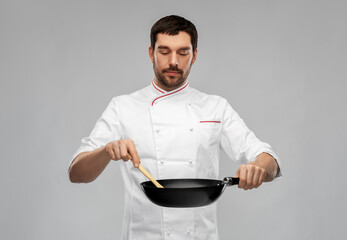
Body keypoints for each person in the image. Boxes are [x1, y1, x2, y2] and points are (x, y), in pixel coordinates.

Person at [69, 15, 281, 240]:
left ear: (195, 56)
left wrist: (258, 168)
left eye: (183, 53)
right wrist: (106, 151)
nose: (173, 62)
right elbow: (77, 173)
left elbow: (270, 161)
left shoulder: (215, 107)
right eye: (164, 51)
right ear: (151, 53)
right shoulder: (123, 107)